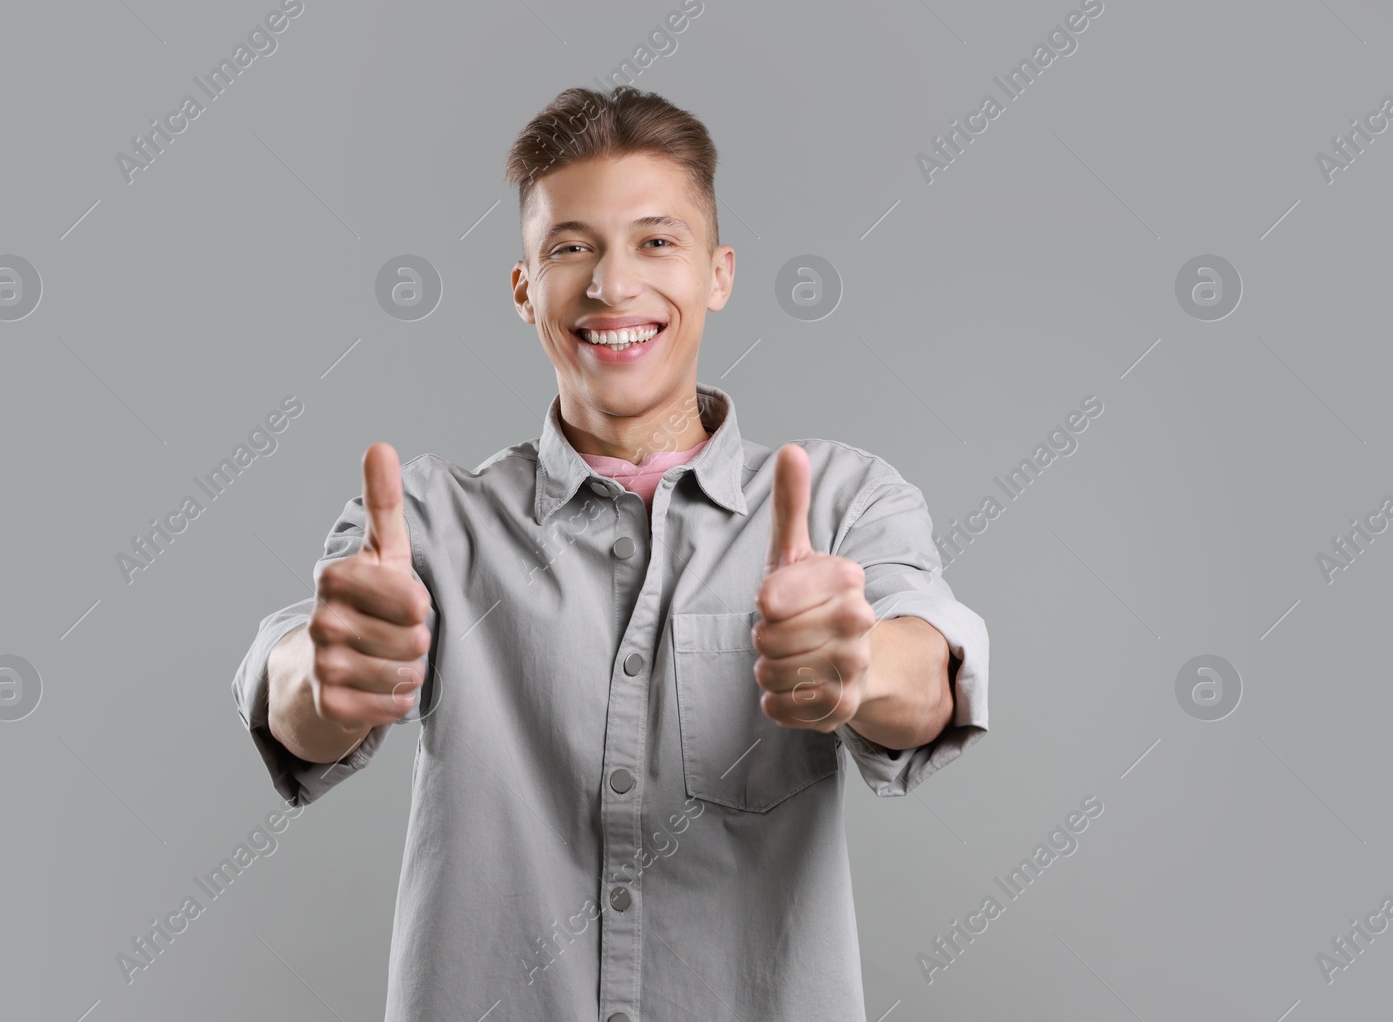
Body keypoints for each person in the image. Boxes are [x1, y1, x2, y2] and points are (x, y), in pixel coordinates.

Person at [233, 85, 989, 1021]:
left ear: (718, 273)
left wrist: (861, 662)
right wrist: (321, 675)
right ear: (524, 289)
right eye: (570, 246)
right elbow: (301, 683)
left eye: (656, 241)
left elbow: (928, 674)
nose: (611, 284)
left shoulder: (842, 500)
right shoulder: (426, 522)